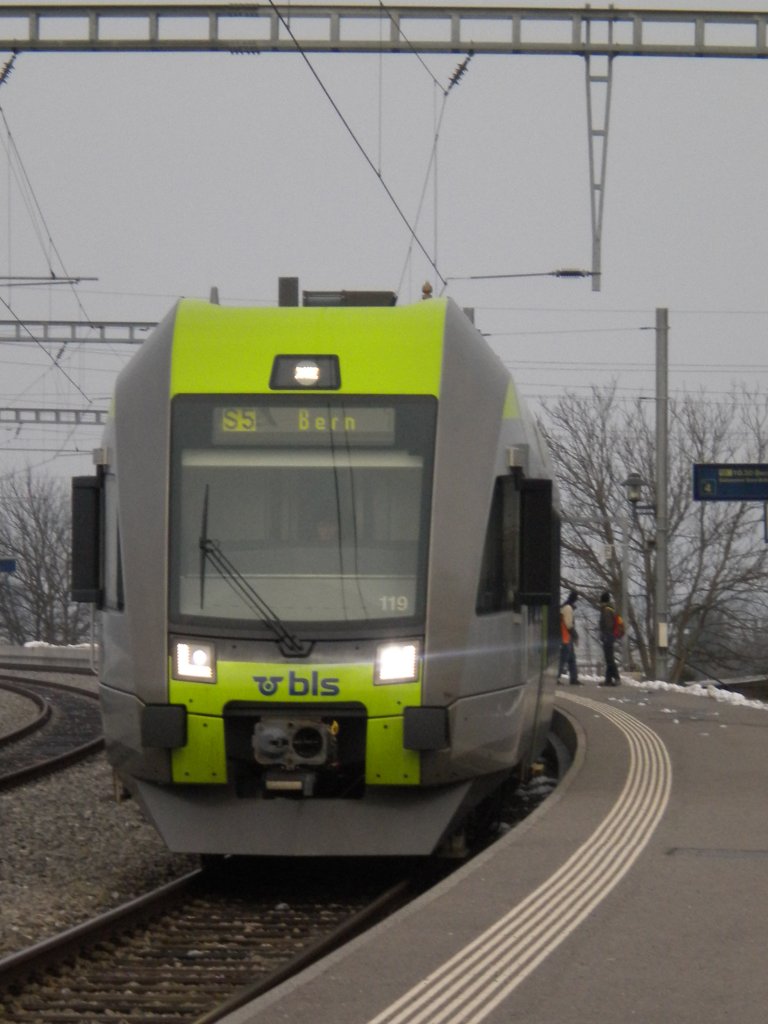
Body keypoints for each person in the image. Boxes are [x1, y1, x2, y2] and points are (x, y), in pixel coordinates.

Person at [558, 590, 581, 685]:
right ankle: (557, 676)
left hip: (566, 636)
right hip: (565, 636)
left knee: (571, 657)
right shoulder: (568, 608)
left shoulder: (565, 606)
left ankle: (574, 678)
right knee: (564, 658)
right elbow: (568, 624)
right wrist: (575, 635)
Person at [598, 590, 621, 686]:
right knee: (608, 658)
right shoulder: (610, 609)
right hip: (610, 636)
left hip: (608, 636)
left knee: (609, 658)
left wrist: (605, 635)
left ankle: (616, 678)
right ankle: (608, 679)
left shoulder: (606, 610)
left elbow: (608, 624)